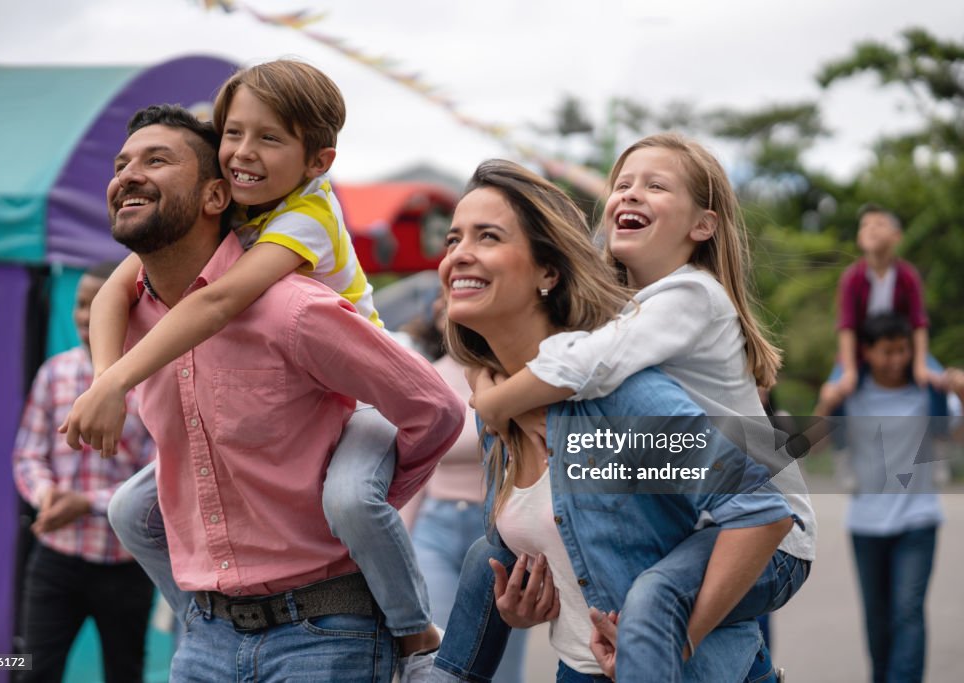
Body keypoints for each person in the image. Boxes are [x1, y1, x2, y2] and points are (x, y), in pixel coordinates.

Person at [62, 59, 444, 670]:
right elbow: (111, 291)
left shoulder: (305, 218)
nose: (242, 151)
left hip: (364, 394)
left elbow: (219, 301)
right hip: (222, 632)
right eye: (233, 132)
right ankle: (200, 614)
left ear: (317, 162)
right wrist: (108, 382)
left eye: (269, 137)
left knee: (347, 499)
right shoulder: (240, 205)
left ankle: (414, 631)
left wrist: (118, 380)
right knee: (129, 510)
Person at [463, 134, 815, 679]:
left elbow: (585, 365)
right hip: (700, 519)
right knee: (484, 559)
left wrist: (493, 401)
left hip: (773, 535)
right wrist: (485, 372)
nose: (630, 195)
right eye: (621, 185)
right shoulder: (623, 313)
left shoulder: (691, 295)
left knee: (653, 601)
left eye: (655, 186)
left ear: (703, 225)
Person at [12, 261, 155, 683]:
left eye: (97, 304)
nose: (84, 316)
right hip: (56, 558)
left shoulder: (150, 380)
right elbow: (28, 454)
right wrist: (47, 497)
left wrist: (86, 504)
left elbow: (158, 475)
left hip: (125, 563)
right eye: (79, 304)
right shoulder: (55, 373)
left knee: (124, 673)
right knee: (32, 669)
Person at [814, 313, 964, 683]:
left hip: (918, 519)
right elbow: (811, 446)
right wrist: (824, 404)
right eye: (886, 352)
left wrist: (960, 393)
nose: (896, 360)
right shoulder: (851, 393)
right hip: (865, 523)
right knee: (877, 620)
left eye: (903, 350)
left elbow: (958, 438)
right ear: (866, 352)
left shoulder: (928, 389)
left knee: (908, 613)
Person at [403, 297, 529, 683]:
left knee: (501, 665)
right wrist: (401, 542)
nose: (449, 307)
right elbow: (410, 467)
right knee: (439, 660)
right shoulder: (420, 375)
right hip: (434, 528)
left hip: (495, 530)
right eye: (441, 303)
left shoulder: (515, 377)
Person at [825, 204, 940, 402]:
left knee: (937, 383)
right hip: (861, 353)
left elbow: (919, 323)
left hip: (901, 351)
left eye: (879, 223)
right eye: (865, 225)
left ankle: (941, 432)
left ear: (897, 236)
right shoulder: (851, 278)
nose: (871, 228)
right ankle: (828, 433)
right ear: (859, 238)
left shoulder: (908, 276)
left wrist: (920, 363)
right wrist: (850, 370)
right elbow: (846, 327)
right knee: (833, 395)